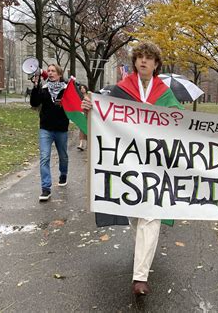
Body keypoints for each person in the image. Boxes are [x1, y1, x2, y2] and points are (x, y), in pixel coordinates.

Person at [82, 41, 183, 297]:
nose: (144, 61)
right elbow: (102, 119)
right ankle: (143, 256)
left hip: (156, 164)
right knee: (137, 216)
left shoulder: (165, 93)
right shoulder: (121, 90)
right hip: (126, 164)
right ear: (135, 61)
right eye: (140, 57)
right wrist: (89, 111)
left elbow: (181, 123)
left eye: (149, 58)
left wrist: (157, 114)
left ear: (156, 64)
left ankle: (140, 277)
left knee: (151, 214)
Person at [30, 64, 69, 202]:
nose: (50, 73)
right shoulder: (44, 89)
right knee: (44, 157)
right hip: (45, 129)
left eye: (53, 71)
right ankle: (46, 188)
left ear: (59, 74)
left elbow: (76, 103)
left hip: (61, 129)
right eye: (49, 71)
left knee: (63, 156)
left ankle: (63, 174)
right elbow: (34, 103)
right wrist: (35, 86)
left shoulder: (66, 89)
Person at [77, 83, 88, 151]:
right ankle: (81, 144)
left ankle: (86, 144)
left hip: (88, 114)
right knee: (81, 128)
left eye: (83, 88)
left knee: (86, 129)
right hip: (81, 113)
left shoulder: (89, 95)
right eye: (81, 88)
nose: (82, 89)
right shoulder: (79, 97)